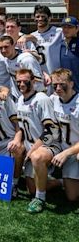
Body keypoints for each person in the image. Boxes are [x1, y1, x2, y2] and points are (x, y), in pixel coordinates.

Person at [15, 68, 61, 213]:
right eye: (18, 81)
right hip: (32, 147)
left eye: (25, 81)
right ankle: (59, 181)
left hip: (49, 145)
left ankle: (40, 199)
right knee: (31, 189)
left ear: (33, 81)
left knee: (36, 157)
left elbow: (52, 131)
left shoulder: (41, 99)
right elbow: (22, 127)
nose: (21, 84)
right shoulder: (20, 99)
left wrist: (34, 149)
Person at [49, 68, 79, 205]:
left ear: (72, 83)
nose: (58, 88)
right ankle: (62, 180)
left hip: (73, 151)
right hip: (60, 147)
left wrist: (67, 153)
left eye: (62, 84)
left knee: (72, 197)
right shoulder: (53, 99)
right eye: (55, 85)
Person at [0, 35, 45, 100]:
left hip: (31, 98)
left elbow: (38, 82)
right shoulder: (5, 58)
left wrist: (33, 98)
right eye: (1, 48)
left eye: (6, 47)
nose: (3, 50)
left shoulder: (26, 59)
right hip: (18, 97)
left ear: (13, 45)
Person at [59, 16, 79, 91]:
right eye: (64, 27)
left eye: (70, 27)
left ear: (77, 28)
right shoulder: (60, 45)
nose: (66, 29)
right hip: (65, 90)